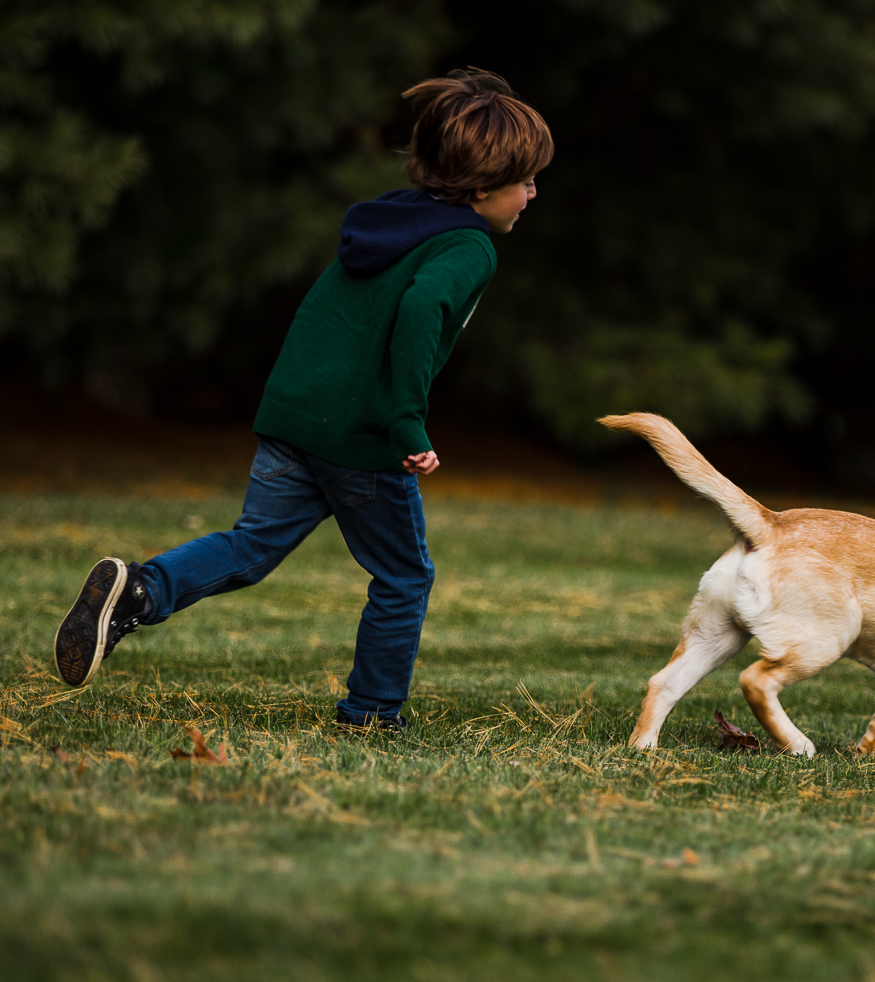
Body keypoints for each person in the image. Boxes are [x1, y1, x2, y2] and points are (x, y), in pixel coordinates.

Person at [52, 68, 553, 732]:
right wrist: (407, 423)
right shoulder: (467, 246)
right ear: (484, 188)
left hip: (297, 418)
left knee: (251, 545)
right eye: (525, 182)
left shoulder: (389, 222)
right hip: (362, 437)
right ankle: (371, 714)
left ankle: (138, 592)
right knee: (404, 578)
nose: (533, 193)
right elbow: (421, 308)